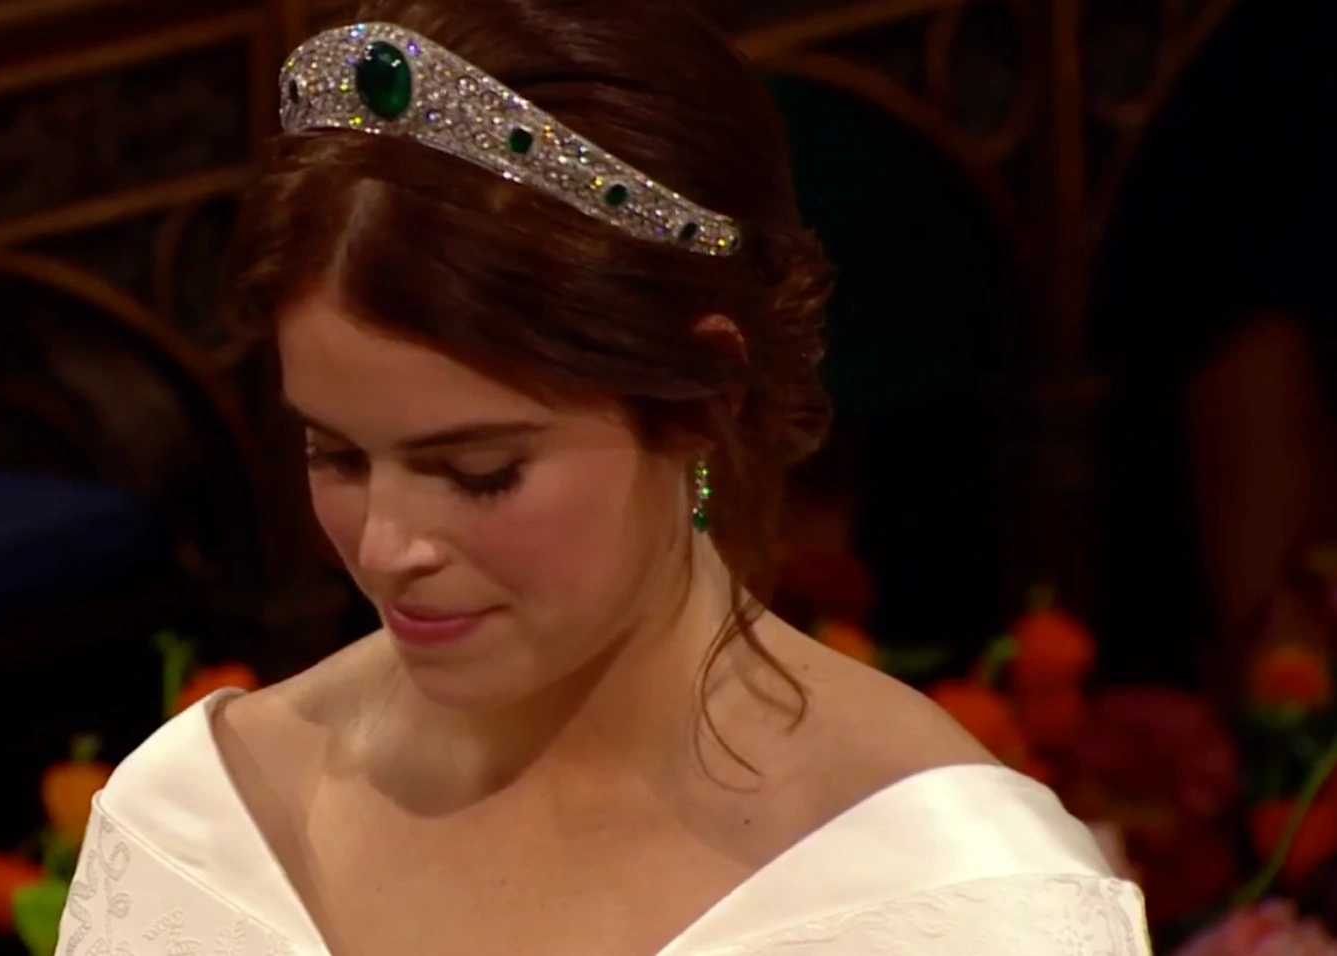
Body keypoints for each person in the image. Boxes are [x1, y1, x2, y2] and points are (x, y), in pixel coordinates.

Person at [56, 1, 1149, 953]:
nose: (385, 547)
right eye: (336, 454)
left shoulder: (962, 894)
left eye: (479, 471)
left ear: (706, 391)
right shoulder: (206, 827)